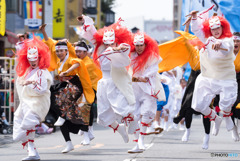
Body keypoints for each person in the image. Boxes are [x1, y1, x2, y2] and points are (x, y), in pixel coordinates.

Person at [78, 15, 136, 144]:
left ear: (116, 40)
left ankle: (134, 121)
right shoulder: (99, 48)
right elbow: (92, 32)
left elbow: (126, 48)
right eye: (106, 42)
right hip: (104, 83)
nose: (108, 44)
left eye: (111, 42)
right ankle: (120, 129)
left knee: (122, 108)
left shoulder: (121, 48)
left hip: (117, 82)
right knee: (103, 116)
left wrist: (117, 48)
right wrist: (85, 20)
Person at [39, 24, 95, 153]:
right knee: (56, 103)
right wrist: (43, 32)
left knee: (81, 108)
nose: (58, 53)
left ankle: (86, 134)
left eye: (61, 51)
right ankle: (68, 142)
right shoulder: (59, 62)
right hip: (65, 86)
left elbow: (77, 64)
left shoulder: (70, 58)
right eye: (57, 52)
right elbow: (51, 44)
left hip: (76, 86)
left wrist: (67, 72)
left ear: (66, 51)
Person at [190, 11, 237, 137]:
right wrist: (194, 18)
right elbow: (196, 30)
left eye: (218, 28)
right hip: (208, 77)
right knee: (198, 105)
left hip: (225, 78)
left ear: (222, 27)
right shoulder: (207, 39)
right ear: (210, 29)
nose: (216, 31)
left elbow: (227, 48)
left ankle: (227, 117)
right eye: (213, 29)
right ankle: (216, 119)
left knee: (226, 104)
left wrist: (219, 44)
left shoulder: (228, 39)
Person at [13, 37, 52, 161]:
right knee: (18, 127)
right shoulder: (27, 70)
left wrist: (30, 82)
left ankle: (41, 128)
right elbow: (20, 82)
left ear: (41, 58)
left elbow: (41, 90)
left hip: (38, 102)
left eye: (35, 59)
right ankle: (32, 152)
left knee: (27, 123)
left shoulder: (43, 72)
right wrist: (23, 81)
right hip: (26, 101)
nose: (33, 62)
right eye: (30, 59)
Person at [128, 33, 165, 153]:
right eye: (137, 45)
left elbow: (153, 70)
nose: (139, 47)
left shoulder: (152, 57)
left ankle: (141, 141)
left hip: (147, 89)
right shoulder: (131, 55)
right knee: (133, 117)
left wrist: (144, 77)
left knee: (146, 113)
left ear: (145, 45)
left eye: (141, 45)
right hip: (133, 89)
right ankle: (137, 143)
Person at [73, 40, 102, 145]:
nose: (78, 54)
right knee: (85, 110)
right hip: (85, 88)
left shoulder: (87, 63)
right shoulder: (81, 61)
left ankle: (87, 134)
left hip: (91, 88)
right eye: (77, 52)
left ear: (86, 52)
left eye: (80, 52)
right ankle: (89, 132)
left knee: (84, 109)